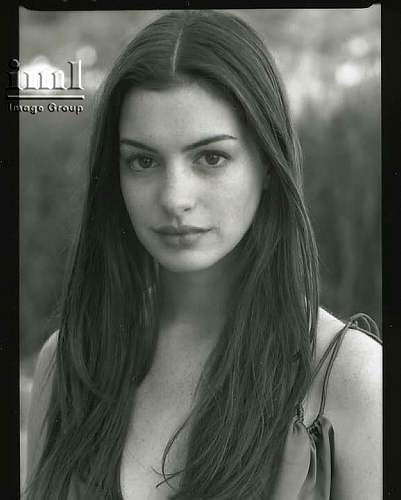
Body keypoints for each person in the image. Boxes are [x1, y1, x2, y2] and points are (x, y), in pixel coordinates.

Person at [25, 10, 382, 500]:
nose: (175, 198)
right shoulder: (68, 363)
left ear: (268, 163)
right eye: (143, 161)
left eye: (211, 157)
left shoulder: (354, 380)